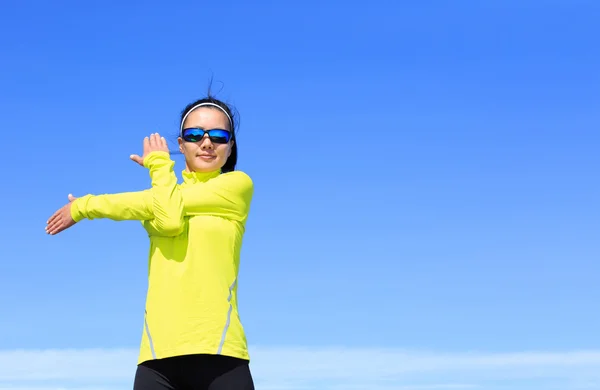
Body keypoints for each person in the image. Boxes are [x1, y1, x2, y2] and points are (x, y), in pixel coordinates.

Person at [46, 96, 256, 390]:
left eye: (218, 136)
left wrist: (156, 166)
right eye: (195, 135)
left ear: (230, 146)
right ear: (181, 145)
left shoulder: (237, 186)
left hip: (220, 352)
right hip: (158, 354)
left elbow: (167, 218)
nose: (207, 143)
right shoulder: (163, 194)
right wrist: (159, 182)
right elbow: (167, 209)